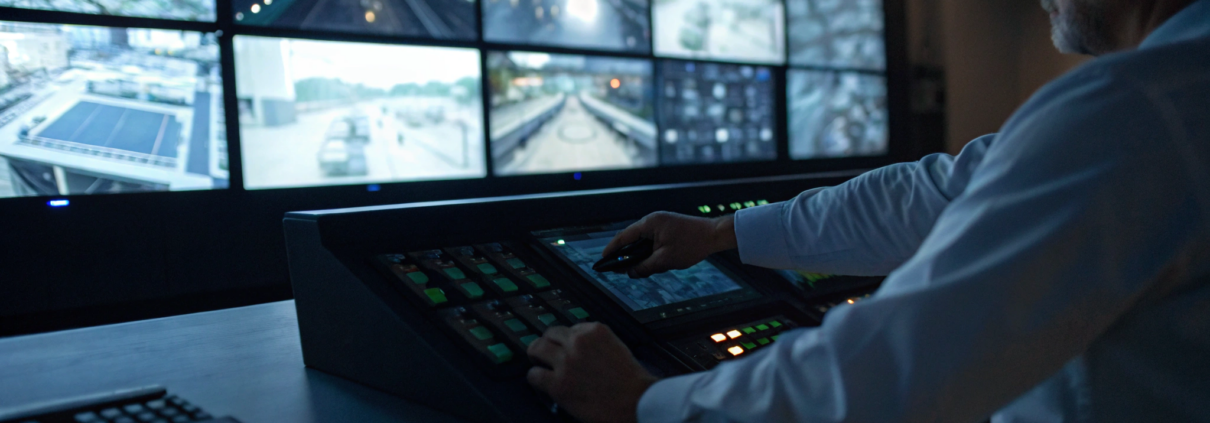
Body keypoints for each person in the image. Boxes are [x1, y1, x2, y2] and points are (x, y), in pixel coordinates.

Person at [523, 0, 1210, 422]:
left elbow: (902, 366)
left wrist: (644, 402)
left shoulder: (1135, 109)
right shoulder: (1168, 94)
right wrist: (724, 230)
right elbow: (936, 193)